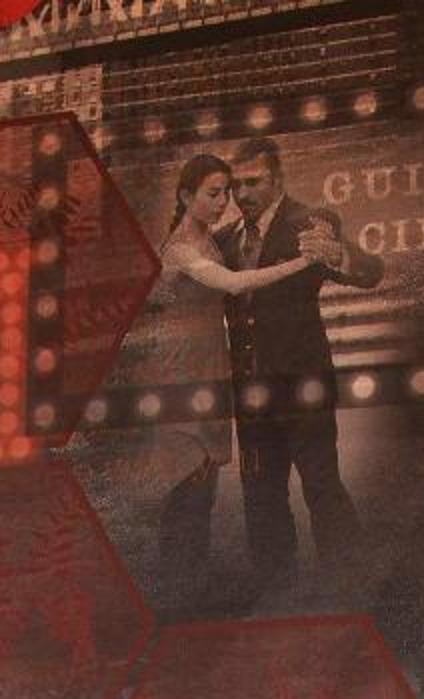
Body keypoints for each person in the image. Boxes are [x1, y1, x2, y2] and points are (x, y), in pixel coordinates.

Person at [138, 154, 320, 575]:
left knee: (203, 481)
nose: (224, 202)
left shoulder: (212, 239)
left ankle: (191, 580)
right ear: (187, 196)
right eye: (213, 193)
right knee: (186, 477)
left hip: (210, 366)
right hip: (181, 371)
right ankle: (179, 579)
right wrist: (305, 260)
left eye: (226, 192)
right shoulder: (179, 249)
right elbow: (235, 284)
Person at [219, 137, 381, 580]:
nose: (243, 194)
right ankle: (274, 584)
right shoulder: (225, 241)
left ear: (278, 180)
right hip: (251, 394)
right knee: (259, 490)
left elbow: (372, 272)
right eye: (236, 185)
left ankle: (348, 577)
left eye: (253, 182)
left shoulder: (308, 224)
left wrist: (340, 254)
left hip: (303, 385)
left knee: (320, 482)